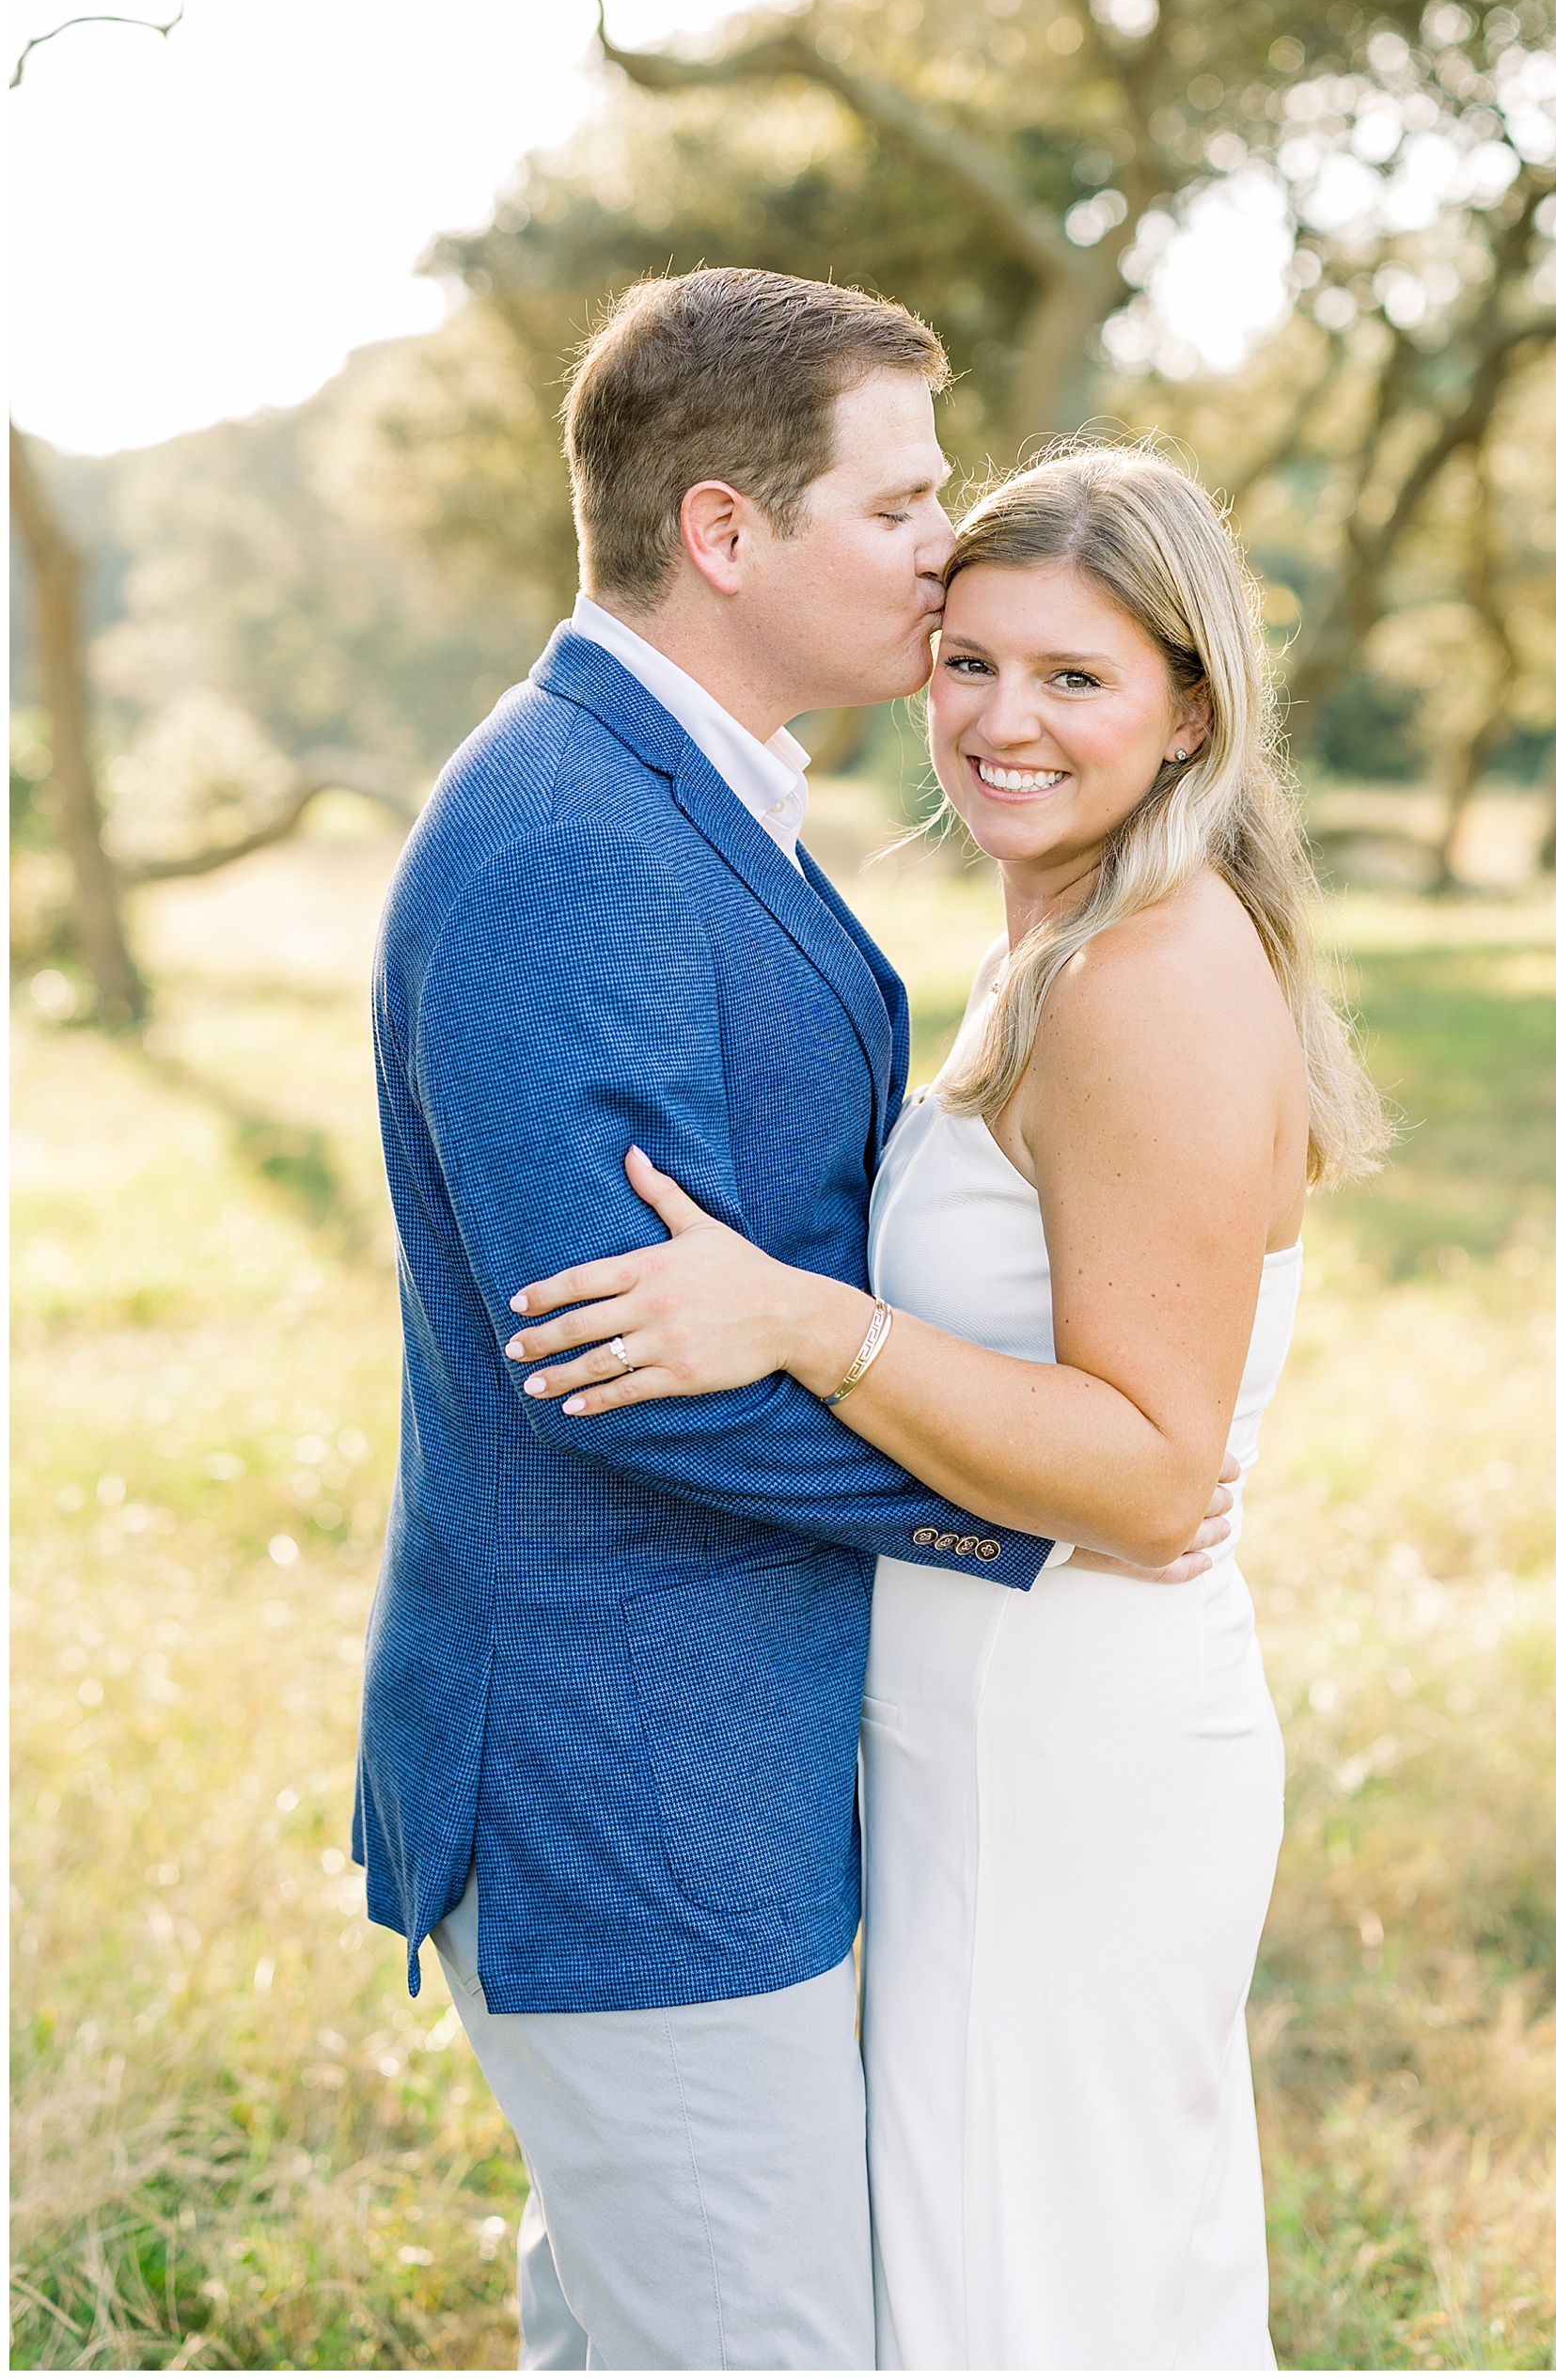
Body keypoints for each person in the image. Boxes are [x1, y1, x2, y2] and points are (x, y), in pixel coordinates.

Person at [352, 274, 1234, 2372]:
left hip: (744, 1751)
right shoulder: (567, 837)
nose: (947, 545)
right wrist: (1044, 1512)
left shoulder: (696, 789)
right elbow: (615, 1367)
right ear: (731, 534)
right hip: (628, 1778)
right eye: (902, 503)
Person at [503, 445, 1391, 2368]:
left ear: (1189, 712)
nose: (1002, 721)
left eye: (1076, 679)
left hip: (1054, 1750)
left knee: (1031, 2290)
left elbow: (1154, 1483)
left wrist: (808, 1325)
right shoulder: (1058, 940)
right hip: (984, 1720)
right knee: (1037, 2267)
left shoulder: (1148, 979)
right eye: (970, 660)